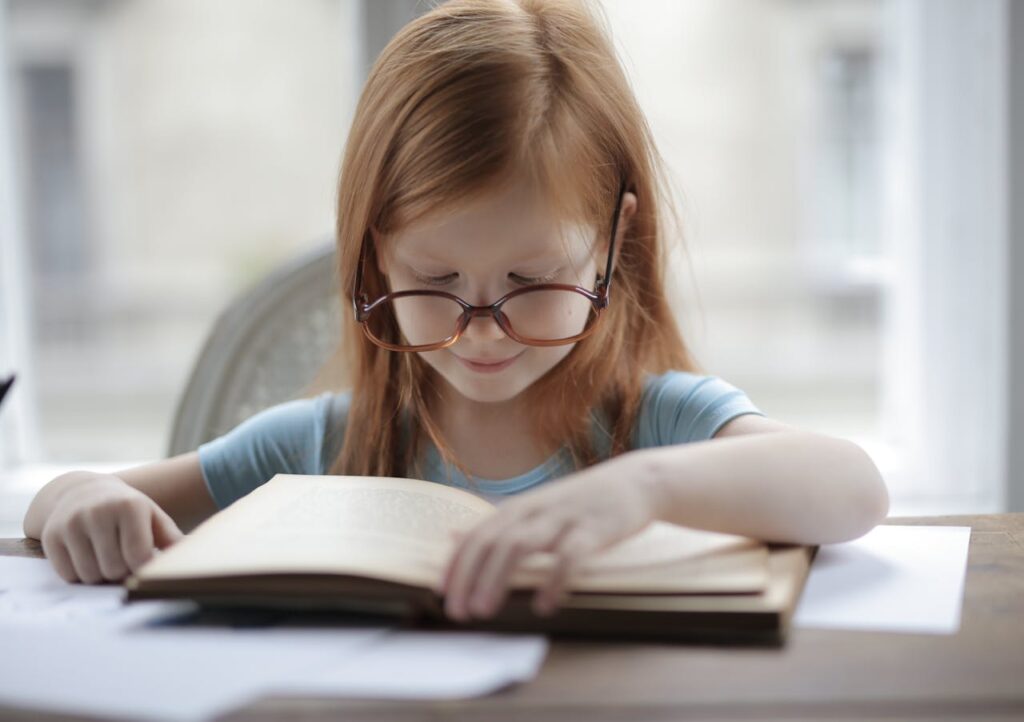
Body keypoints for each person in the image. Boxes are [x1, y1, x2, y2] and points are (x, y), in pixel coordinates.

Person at [23, 0, 889, 623]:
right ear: (372, 254)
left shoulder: (658, 426)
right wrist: (74, 501)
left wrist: (644, 488)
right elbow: (68, 497)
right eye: (433, 281)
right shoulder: (319, 445)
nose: (481, 331)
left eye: (531, 281)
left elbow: (853, 488)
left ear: (612, 241)